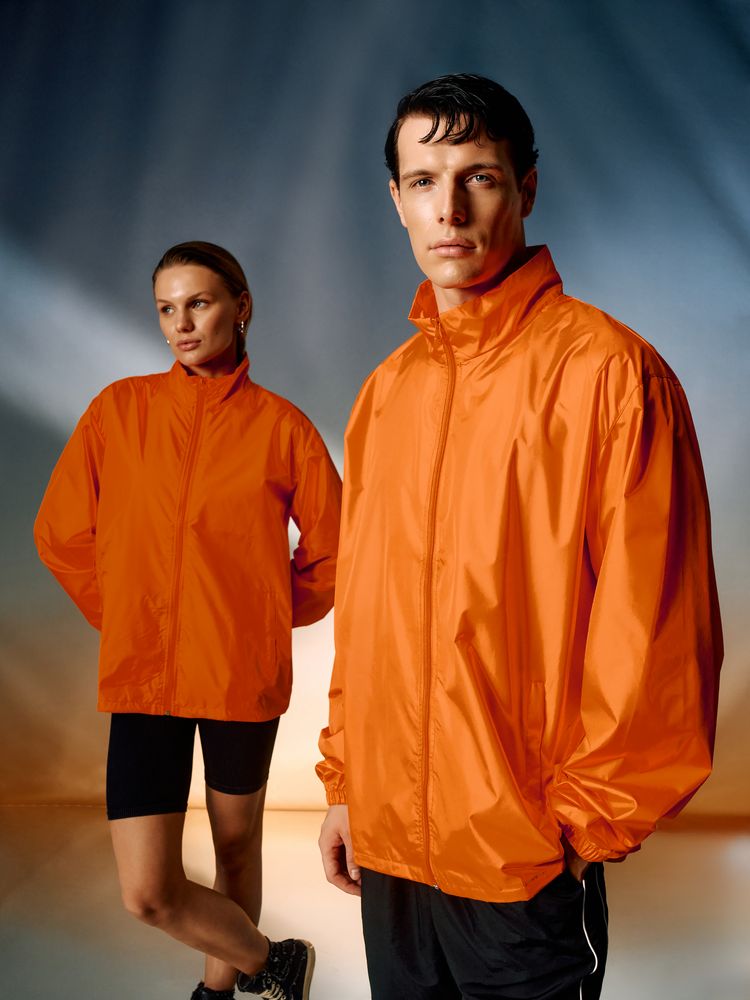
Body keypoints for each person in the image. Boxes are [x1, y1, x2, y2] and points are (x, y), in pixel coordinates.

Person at [317, 74, 722, 999]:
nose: (449, 209)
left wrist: (579, 832)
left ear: (526, 188)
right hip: (391, 853)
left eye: (480, 177)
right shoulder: (386, 392)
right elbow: (365, 616)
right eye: (424, 181)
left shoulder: (612, 375)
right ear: (396, 200)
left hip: (523, 861)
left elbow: (656, 635)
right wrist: (347, 785)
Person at [34, 241, 340, 1000]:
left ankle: (217, 994)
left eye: (198, 303)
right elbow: (61, 534)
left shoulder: (283, 428)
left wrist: (259, 615)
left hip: (239, 673)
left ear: (241, 306)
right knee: (147, 892)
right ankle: (272, 960)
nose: (181, 324)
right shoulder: (119, 411)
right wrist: (129, 616)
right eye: (166, 309)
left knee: (236, 848)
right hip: (143, 675)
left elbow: (338, 552)